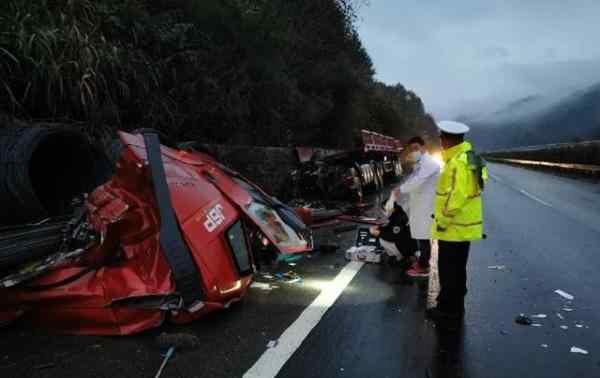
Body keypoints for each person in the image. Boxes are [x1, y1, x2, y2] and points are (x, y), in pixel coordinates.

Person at [426, 120, 487, 330]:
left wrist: (441, 221)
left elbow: (456, 197)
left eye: (442, 138)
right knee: (457, 271)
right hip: (464, 228)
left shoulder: (457, 163)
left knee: (449, 272)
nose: (440, 142)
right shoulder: (470, 158)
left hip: (452, 228)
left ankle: (448, 313)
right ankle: (452, 308)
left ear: (449, 139)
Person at [394, 136, 440, 278]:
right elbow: (413, 179)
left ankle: (424, 267)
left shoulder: (430, 163)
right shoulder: (420, 163)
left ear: (423, 148)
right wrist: (401, 189)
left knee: (425, 236)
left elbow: (417, 181)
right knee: (422, 236)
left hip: (427, 206)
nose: (413, 151)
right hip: (421, 205)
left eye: (416, 148)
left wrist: (401, 190)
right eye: (411, 149)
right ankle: (422, 263)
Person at [369, 194, 418, 269]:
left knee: (382, 239)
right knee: (382, 236)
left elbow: (392, 236)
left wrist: (378, 233)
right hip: (407, 242)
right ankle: (399, 255)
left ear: (391, 208)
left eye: (385, 209)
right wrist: (379, 228)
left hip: (407, 246)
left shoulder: (399, 218)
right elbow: (389, 227)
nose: (384, 212)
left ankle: (402, 256)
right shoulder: (397, 214)